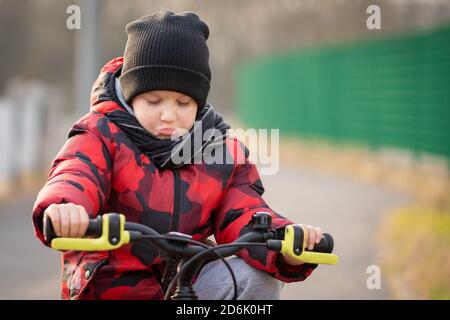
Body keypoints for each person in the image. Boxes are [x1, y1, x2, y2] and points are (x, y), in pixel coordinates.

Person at [32, 9, 323, 300]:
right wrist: (65, 207)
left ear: (199, 103)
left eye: (183, 102)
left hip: (188, 281)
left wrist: (284, 242)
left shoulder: (220, 152)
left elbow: (244, 213)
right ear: (132, 95)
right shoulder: (100, 135)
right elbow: (76, 172)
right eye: (153, 100)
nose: (168, 115)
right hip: (112, 287)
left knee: (258, 280)